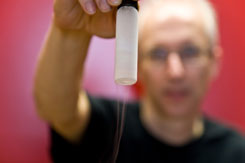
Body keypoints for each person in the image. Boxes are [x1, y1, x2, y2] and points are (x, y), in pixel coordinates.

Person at [33, 0, 245, 162]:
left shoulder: (237, 153)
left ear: (214, 63)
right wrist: (71, 30)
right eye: (158, 53)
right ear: (138, 64)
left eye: (189, 51)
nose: (175, 72)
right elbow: (57, 109)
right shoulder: (106, 128)